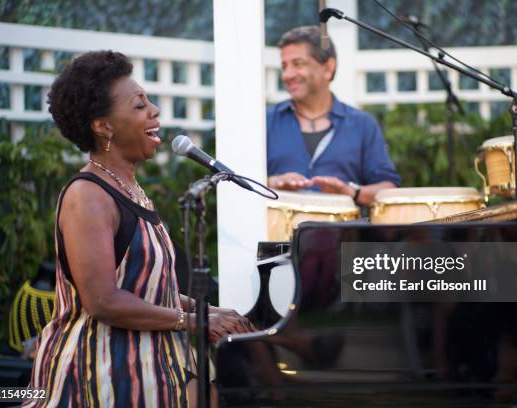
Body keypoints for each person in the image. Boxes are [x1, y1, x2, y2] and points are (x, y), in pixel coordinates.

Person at [23, 50, 252, 407]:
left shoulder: (131, 190)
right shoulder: (88, 196)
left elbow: (143, 289)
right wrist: (192, 322)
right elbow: (104, 301)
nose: (155, 111)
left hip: (155, 367)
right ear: (104, 126)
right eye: (139, 105)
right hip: (102, 378)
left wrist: (205, 311)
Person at [267, 26, 401, 207]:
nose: (287, 75)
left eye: (298, 64)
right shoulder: (264, 121)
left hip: (343, 235)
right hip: (275, 234)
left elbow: (389, 191)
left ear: (328, 68)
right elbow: (236, 179)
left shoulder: (362, 124)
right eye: (284, 66)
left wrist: (350, 192)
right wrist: (272, 182)